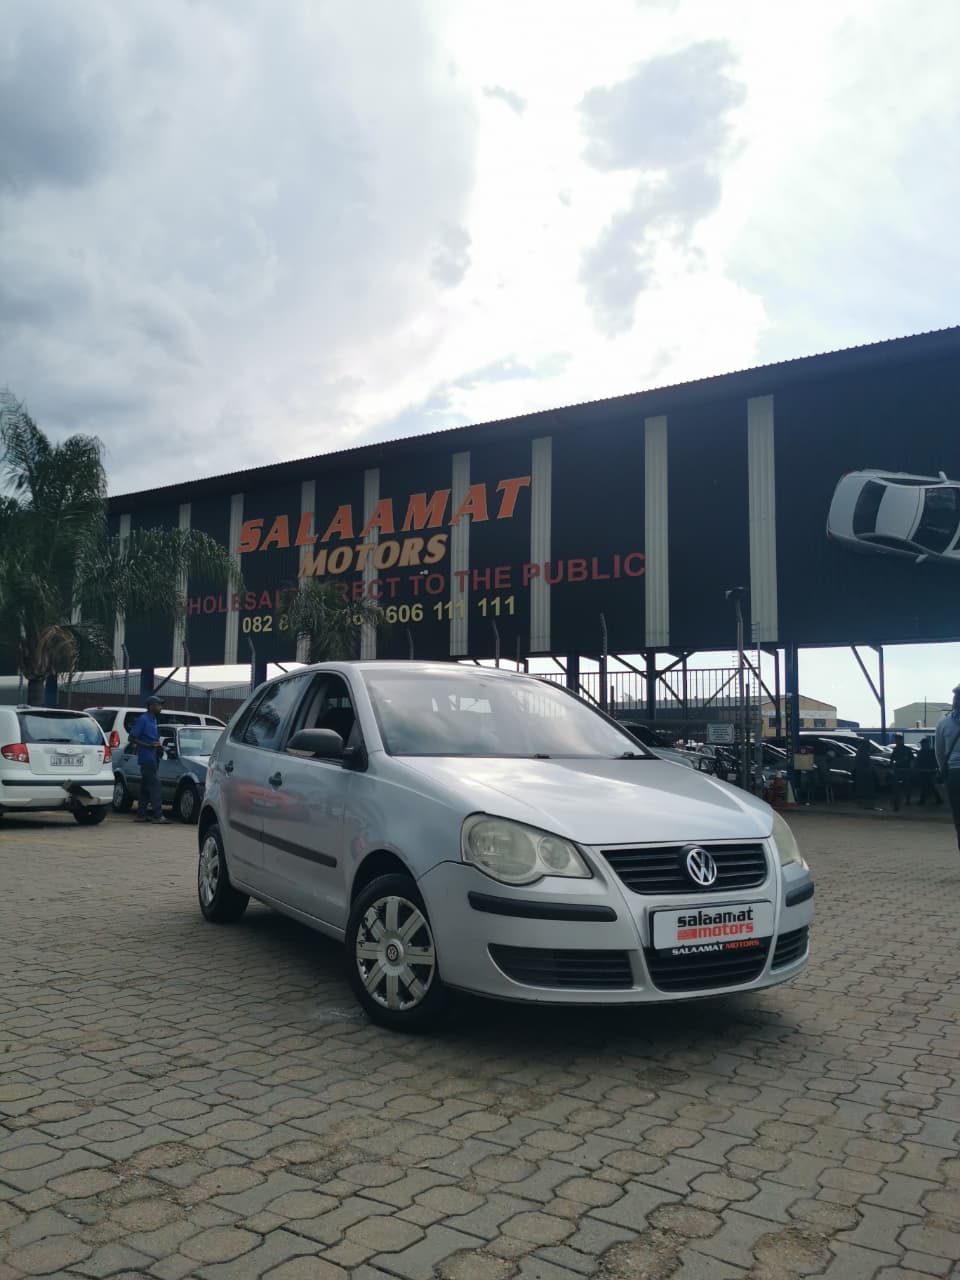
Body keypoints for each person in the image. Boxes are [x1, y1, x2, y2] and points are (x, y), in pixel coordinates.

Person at [129, 696, 168, 825]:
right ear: (151, 706)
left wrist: (158, 745)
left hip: (153, 756)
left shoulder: (153, 719)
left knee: (145, 787)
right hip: (146, 758)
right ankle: (158, 815)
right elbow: (131, 738)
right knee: (156, 786)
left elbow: (151, 738)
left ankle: (141, 815)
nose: (161, 707)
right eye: (158, 705)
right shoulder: (143, 719)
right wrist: (147, 745)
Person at [935, 686, 960, 851]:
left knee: (958, 817)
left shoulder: (943, 724)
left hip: (954, 774)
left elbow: (939, 753)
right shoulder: (943, 724)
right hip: (954, 773)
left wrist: (944, 772)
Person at [914, 737, 943, 808]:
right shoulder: (922, 751)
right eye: (922, 744)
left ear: (927, 744)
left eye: (923, 743)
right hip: (923, 771)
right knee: (926, 786)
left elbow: (936, 761)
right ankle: (936, 799)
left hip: (930, 771)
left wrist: (935, 769)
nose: (922, 745)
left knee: (929, 785)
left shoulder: (932, 751)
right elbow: (917, 761)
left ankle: (924, 800)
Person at [889, 734, 914, 812]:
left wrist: (911, 768)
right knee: (897, 787)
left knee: (906, 785)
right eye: (895, 740)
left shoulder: (906, 749)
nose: (896, 741)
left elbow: (912, 759)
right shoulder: (896, 749)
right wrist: (891, 766)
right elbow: (892, 759)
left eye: (897, 740)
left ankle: (907, 800)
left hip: (905, 769)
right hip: (898, 770)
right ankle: (897, 803)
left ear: (901, 740)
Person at [854, 738, 877, 810]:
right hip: (864, 771)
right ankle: (865, 799)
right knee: (865, 785)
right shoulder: (863, 751)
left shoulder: (861, 750)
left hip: (862, 770)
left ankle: (863, 799)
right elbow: (865, 761)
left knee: (862, 785)